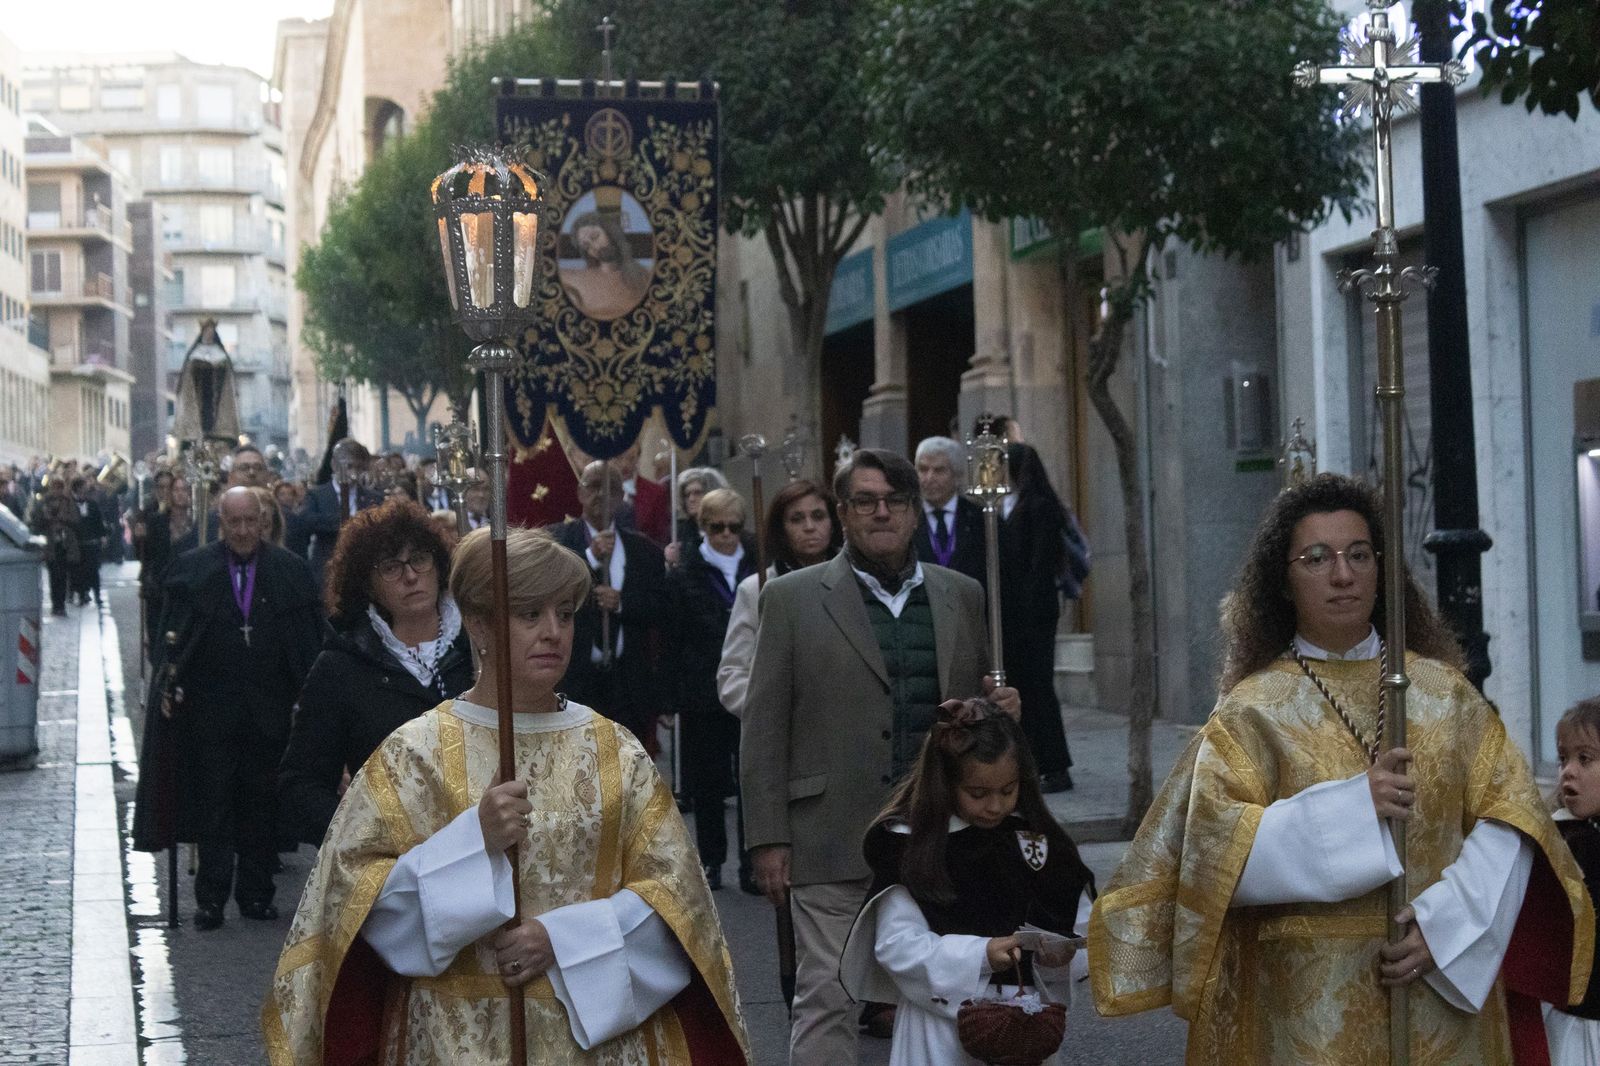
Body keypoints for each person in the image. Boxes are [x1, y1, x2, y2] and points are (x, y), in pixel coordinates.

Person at [1089, 473, 1592, 1062]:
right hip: (1304, 1006)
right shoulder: (1253, 711)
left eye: (1359, 555)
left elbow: (1513, 816)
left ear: (1382, 570)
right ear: (1283, 580)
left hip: (1433, 985)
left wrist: (1447, 925)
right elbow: (1210, 848)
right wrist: (1354, 810)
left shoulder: (1446, 696)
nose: (1343, 575)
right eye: (1317, 558)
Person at [263, 527, 750, 1064]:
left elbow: (678, 900)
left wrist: (565, 939)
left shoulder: (616, 751)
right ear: (479, 624)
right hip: (450, 1038)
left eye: (565, 614)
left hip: (593, 1044)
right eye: (529, 614)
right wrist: (474, 841)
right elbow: (354, 898)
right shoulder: (415, 753)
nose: (553, 633)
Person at [741, 447, 1019, 1066]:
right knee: (827, 997)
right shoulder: (790, 599)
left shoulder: (962, 595)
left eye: (895, 500)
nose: (882, 512)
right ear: (843, 513)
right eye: (865, 501)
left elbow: (978, 722)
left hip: (939, 834)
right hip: (830, 834)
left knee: (950, 991)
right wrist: (767, 839)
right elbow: (764, 727)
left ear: (915, 511)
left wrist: (1002, 711)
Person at [840, 698, 1092, 1066]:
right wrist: (979, 955)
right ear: (945, 783)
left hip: (1024, 1031)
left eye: (1008, 790)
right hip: (939, 1033)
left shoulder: (1035, 843)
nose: (996, 806)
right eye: (978, 794)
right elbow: (897, 945)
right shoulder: (914, 847)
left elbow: (1080, 925)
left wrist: (1060, 958)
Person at [132, 487, 326, 930]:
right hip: (210, 714)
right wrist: (171, 684)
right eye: (233, 522)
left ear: (262, 522)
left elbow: (307, 645)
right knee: (213, 806)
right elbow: (171, 640)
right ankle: (211, 900)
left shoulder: (289, 570)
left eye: (250, 521)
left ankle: (256, 894)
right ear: (221, 523)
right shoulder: (193, 570)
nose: (242, 531)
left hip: (270, 713)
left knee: (261, 805)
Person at [277, 498, 472, 847]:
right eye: (391, 567)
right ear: (367, 584)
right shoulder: (342, 666)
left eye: (419, 559)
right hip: (389, 863)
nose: (410, 576)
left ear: (439, 565)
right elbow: (301, 783)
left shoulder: (477, 650)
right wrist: (363, 837)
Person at [666, 488, 758, 891]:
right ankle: (712, 860)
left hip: (750, 683)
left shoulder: (758, 564)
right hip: (701, 688)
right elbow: (672, 637)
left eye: (734, 527)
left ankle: (752, 862)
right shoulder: (685, 570)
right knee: (707, 783)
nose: (726, 536)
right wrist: (669, 697)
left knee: (752, 778)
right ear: (703, 526)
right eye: (717, 527)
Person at [549, 460, 668, 750]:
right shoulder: (555, 542)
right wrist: (589, 557)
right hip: (576, 681)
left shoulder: (645, 551)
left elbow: (660, 608)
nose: (602, 494)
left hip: (628, 683)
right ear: (580, 493)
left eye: (612, 488)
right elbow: (549, 591)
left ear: (622, 496)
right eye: (593, 486)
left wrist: (622, 603)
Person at [717, 478, 842, 722]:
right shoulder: (755, 589)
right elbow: (732, 675)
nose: (809, 527)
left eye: (818, 516)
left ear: (833, 522)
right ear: (781, 529)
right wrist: (773, 710)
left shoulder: (855, 583)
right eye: (796, 519)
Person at [1000, 443, 1073, 792]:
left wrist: (1026, 611)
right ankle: (1035, 764)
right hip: (1023, 613)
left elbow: (1040, 563)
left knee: (1039, 688)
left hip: (1035, 614)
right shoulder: (1016, 504)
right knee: (1027, 689)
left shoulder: (1039, 507)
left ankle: (1056, 767)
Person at [1533, 698, 1600, 1063]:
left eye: (1584, 759)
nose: (1568, 772)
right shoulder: (1564, 840)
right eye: (1563, 759)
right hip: (1575, 1024)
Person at [299, 438, 380, 585]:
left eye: (359, 468)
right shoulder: (317, 495)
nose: (354, 473)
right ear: (334, 465)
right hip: (327, 569)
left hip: (363, 571)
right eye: (349, 466)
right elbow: (308, 521)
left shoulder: (373, 497)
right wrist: (349, 522)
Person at [912, 437, 985, 587]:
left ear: (957, 476)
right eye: (923, 469)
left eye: (939, 470)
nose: (929, 478)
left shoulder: (981, 519)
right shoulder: (906, 517)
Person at [139, 475, 196, 642]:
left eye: (184, 489)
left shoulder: (196, 522)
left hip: (186, 585)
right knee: (158, 633)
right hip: (161, 585)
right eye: (176, 490)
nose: (180, 494)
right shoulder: (157, 521)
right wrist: (140, 538)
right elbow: (147, 555)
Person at [28, 477, 79, 616]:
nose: (57, 491)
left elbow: (75, 520)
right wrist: (46, 519)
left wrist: (64, 520)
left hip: (65, 543)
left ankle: (61, 604)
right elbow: (35, 522)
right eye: (55, 487)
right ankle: (56, 604)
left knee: (63, 575)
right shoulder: (43, 502)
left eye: (59, 488)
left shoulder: (68, 502)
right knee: (53, 575)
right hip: (50, 543)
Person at [668, 466, 730, 565]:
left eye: (697, 493)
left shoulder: (729, 527)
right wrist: (671, 561)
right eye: (687, 495)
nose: (691, 499)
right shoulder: (681, 532)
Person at [614, 442, 671, 545]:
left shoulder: (656, 492)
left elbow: (662, 535)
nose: (625, 464)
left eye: (631, 458)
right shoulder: (602, 491)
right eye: (619, 458)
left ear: (638, 459)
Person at [70, 475, 107, 606]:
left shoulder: (92, 503)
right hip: (77, 543)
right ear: (77, 488)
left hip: (91, 542)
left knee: (94, 570)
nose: (86, 489)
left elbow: (98, 520)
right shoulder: (70, 505)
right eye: (83, 486)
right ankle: (82, 594)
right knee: (79, 571)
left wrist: (102, 536)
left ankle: (97, 595)